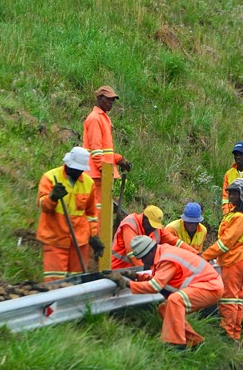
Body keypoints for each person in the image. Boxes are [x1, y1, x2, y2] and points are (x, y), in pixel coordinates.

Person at [106, 234, 223, 350]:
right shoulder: (162, 254)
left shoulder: (167, 259)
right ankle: (193, 341)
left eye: (143, 257)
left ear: (150, 252)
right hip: (206, 286)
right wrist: (136, 276)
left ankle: (176, 344)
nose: (142, 261)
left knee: (175, 300)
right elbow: (159, 279)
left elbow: (155, 286)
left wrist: (127, 284)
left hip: (210, 287)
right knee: (165, 309)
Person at [36, 147, 100, 282]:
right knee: (55, 283)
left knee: (76, 283)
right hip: (55, 239)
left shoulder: (88, 184)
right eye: (75, 169)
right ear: (68, 164)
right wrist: (52, 198)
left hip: (79, 242)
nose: (78, 172)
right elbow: (43, 205)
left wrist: (93, 236)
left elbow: (91, 213)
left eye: (80, 170)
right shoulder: (50, 178)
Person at [201, 178, 243, 342]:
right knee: (236, 299)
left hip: (233, 261)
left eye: (234, 193)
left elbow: (225, 243)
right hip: (239, 261)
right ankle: (235, 333)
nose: (230, 196)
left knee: (229, 298)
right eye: (229, 192)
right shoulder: (240, 214)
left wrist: (204, 256)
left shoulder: (239, 218)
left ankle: (227, 332)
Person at [82, 85, 132, 221]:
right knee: (97, 210)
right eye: (108, 100)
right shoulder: (95, 118)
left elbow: (106, 151)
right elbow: (96, 151)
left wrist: (119, 159)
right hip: (96, 174)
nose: (111, 103)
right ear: (99, 99)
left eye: (113, 100)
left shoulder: (104, 118)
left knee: (101, 209)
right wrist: (104, 170)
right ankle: (95, 238)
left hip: (101, 173)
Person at [111, 205, 165, 269]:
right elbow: (131, 251)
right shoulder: (130, 223)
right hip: (119, 268)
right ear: (144, 218)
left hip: (136, 271)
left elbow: (173, 241)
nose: (153, 228)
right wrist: (144, 270)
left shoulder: (157, 228)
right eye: (151, 225)